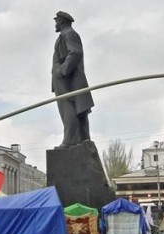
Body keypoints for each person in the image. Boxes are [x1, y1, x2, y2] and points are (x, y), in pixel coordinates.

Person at [51, 11, 94, 149]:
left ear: (62, 21)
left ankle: (70, 141)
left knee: (68, 109)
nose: (55, 24)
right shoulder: (64, 35)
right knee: (77, 110)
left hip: (68, 82)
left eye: (56, 21)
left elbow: (75, 52)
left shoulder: (69, 34)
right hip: (67, 81)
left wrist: (63, 70)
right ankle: (83, 139)